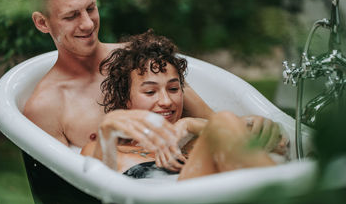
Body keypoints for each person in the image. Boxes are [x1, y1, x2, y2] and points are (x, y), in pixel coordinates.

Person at [23, 0, 283, 161]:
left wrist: (252, 129)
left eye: (91, 8)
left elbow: (211, 121)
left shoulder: (137, 60)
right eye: (71, 16)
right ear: (42, 23)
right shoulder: (46, 107)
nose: (88, 24)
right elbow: (67, 184)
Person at [81, 30, 288, 180]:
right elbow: (99, 183)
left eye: (173, 89)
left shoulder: (197, 141)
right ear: (126, 99)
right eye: (150, 92)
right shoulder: (111, 151)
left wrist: (189, 125)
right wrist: (109, 128)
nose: (166, 101)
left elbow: (279, 144)